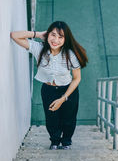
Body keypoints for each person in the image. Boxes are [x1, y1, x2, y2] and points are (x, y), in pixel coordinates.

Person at [10, 21, 88, 150]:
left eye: (60, 37)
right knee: (51, 118)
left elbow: (76, 78)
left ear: (65, 39)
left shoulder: (70, 54)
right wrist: (38, 34)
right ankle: (55, 141)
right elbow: (14, 35)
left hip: (68, 90)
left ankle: (66, 142)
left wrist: (63, 98)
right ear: (48, 35)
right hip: (48, 90)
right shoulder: (38, 48)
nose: (55, 40)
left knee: (68, 118)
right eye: (53, 35)